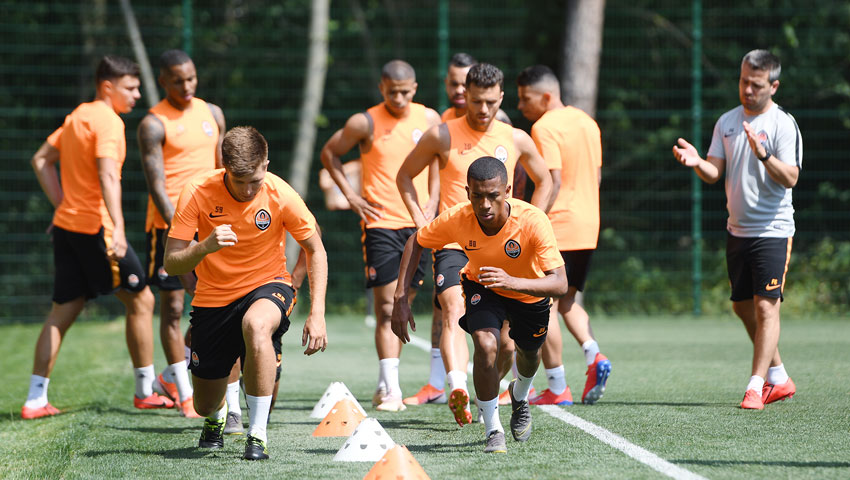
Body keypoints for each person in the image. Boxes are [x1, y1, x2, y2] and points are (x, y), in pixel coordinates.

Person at [397, 63, 553, 425]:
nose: (483, 109)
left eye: (491, 102)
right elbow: (404, 176)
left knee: (507, 343)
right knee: (453, 307)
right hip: (456, 244)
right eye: (476, 101)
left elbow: (545, 180)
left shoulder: (515, 138)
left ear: (501, 98)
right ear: (464, 95)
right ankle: (457, 387)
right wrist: (421, 222)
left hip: (506, 248)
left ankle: (488, 394)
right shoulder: (441, 135)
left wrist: (531, 224)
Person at [164, 126, 328, 460]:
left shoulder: (281, 193)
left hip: (269, 284)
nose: (248, 190)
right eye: (239, 182)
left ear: (266, 164)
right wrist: (205, 247)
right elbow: (171, 262)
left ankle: (257, 434)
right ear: (224, 168)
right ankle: (217, 415)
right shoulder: (196, 191)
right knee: (204, 403)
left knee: (256, 325)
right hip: (213, 298)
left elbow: (316, 249)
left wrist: (318, 313)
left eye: (255, 180)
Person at [24, 55, 171, 420]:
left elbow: (41, 160)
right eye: (130, 88)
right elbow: (107, 176)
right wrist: (118, 228)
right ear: (108, 86)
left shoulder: (78, 115)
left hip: (68, 227)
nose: (137, 95)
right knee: (142, 299)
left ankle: (35, 400)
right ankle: (145, 391)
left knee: (63, 310)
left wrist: (62, 206)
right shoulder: (108, 121)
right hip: (96, 229)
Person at [392, 156, 567, 453]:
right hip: (482, 285)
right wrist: (400, 299)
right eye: (477, 196)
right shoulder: (458, 218)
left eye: (493, 196)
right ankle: (493, 430)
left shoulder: (533, 220)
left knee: (529, 353)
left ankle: (519, 394)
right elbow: (416, 241)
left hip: (528, 292)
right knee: (486, 346)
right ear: (467, 192)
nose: (484, 205)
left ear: (507, 191)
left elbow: (560, 284)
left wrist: (512, 282)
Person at [672, 49, 801, 410]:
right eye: (744, 81)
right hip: (737, 231)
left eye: (756, 84)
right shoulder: (727, 121)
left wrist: (764, 154)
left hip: (773, 229)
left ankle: (755, 386)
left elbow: (791, 177)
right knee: (743, 307)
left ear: (773, 86)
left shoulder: (783, 124)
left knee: (766, 308)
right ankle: (779, 376)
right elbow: (714, 172)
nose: (747, 89)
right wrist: (697, 162)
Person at [320, 60, 441, 412]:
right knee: (387, 305)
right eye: (392, 92)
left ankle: (384, 382)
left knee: (404, 304)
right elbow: (330, 153)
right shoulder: (365, 122)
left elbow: (437, 160)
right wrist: (351, 196)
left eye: (404, 92)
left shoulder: (429, 118)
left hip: (418, 224)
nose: (398, 98)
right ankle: (392, 389)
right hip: (380, 223)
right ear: (381, 88)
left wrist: (433, 199)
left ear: (414, 88)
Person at [137, 49, 226, 420]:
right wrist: (181, 231)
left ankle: (171, 376)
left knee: (218, 305)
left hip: (212, 224)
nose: (187, 86)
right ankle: (186, 394)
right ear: (163, 81)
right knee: (174, 309)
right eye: (178, 81)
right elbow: (156, 184)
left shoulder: (212, 113)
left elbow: (222, 169)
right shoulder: (152, 124)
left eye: (191, 78)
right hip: (169, 227)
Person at [516, 65, 610, 406]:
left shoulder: (544, 127)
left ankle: (557, 387)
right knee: (568, 300)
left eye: (525, 99)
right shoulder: (587, 122)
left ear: (546, 96)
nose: (521, 106)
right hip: (588, 225)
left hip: (559, 225)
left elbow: (551, 182)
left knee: (548, 305)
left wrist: (531, 222)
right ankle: (594, 355)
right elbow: (596, 178)